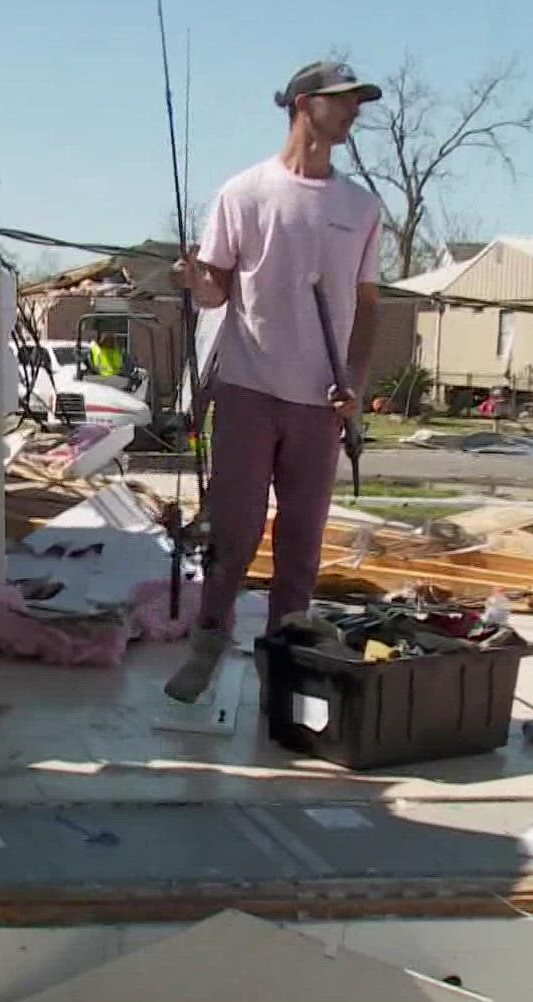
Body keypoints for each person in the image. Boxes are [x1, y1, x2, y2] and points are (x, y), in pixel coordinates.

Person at [165, 60, 383, 701]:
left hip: (320, 402)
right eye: (343, 100)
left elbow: (367, 305)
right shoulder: (245, 193)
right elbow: (214, 292)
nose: (354, 112)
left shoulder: (361, 206)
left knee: (302, 546)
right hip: (246, 387)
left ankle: (285, 669)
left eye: (358, 102)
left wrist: (357, 386)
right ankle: (209, 643)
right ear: (303, 103)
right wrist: (192, 278)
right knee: (234, 534)